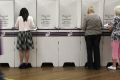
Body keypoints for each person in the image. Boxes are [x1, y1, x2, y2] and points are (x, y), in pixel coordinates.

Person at [107, 5, 120, 70]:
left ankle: (114, 66)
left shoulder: (116, 18)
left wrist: (108, 27)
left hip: (115, 36)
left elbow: (111, 27)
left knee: (114, 51)